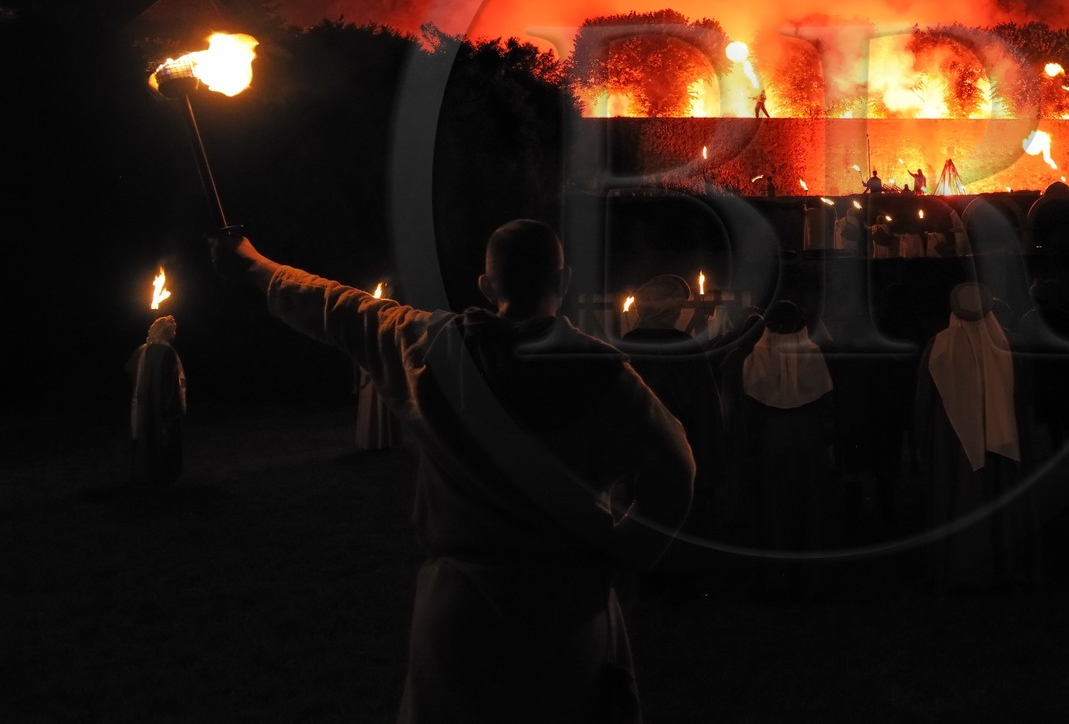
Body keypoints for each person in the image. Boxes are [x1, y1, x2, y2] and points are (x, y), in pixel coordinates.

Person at [210, 221, 695, 724]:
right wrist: (624, 549)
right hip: (565, 618)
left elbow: (334, 305)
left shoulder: (431, 348)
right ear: (564, 280)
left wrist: (251, 262)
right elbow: (675, 470)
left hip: (462, 619)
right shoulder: (604, 374)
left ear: (487, 286)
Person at [914, 282, 1041, 590]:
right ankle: (1002, 564)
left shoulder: (939, 344)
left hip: (952, 440)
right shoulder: (1007, 344)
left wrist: (923, 439)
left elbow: (924, 400)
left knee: (962, 496)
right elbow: (1024, 397)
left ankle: (962, 566)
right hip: (998, 437)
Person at [616, 275, 726, 598]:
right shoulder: (686, 350)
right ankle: (677, 581)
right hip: (678, 452)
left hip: (638, 456)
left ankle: (653, 578)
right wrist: (710, 464)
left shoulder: (624, 347)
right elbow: (705, 412)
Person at [734, 300, 836, 599]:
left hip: (773, 438)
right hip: (808, 437)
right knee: (810, 508)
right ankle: (811, 580)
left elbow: (750, 407)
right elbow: (826, 404)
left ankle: (778, 580)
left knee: (775, 509)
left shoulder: (758, 356)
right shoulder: (812, 353)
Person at [125, 314, 187, 486]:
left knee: (145, 433)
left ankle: (145, 471)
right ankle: (163, 473)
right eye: (171, 331)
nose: (174, 334)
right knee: (161, 436)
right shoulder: (167, 352)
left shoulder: (141, 350)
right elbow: (171, 383)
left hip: (145, 404)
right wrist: (172, 407)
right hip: (160, 405)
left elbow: (129, 369)